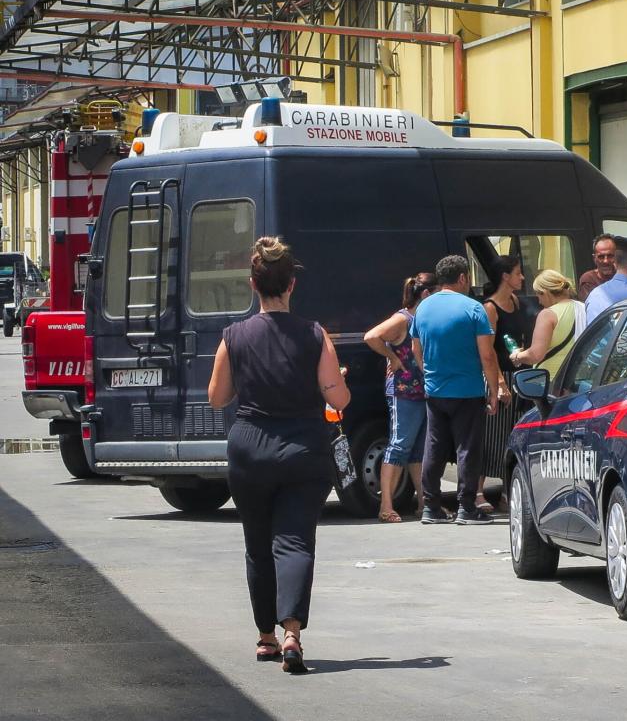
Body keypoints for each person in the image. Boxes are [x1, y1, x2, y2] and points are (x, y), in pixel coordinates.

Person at [208, 236, 349, 675]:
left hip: (250, 448)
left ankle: (265, 638)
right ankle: (292, 633)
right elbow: (338, 399)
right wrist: (337, 379)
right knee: (295, 540)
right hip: (304, 449)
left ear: (254, 284)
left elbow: (217, 398)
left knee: (257, 545)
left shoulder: (234, 336)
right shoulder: (314, 334)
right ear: (291, 285)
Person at [412, 255, 501, 526]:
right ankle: (466, 506)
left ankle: (431, 505)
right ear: (463, 278)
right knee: (468, 448)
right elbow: (487, 355)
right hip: (467, 389)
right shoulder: (474, 309)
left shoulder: (424, 308)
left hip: (435, 390)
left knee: (434, 446)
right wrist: (493, 390)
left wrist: (429, 372)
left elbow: (417, 349)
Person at [363, 272, 437, 523]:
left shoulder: (420, 318)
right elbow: (372, 336)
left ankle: (423, 502)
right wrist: (393, 358)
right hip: (403, 391)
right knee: (399, 445)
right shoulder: (403, 318)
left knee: (417, 449)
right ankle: (386, 505)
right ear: (426, 294)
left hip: (421, 390)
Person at [479, 256, 526, 513]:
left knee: (512, 436)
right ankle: (478, 491)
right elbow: (489, 349)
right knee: (492, 436)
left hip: (518, 374)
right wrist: (498, 383)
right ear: (505, 277)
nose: (522, 278)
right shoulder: (490, 308)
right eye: (518, 273)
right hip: (498, 376)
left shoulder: (516, 302)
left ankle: (509, 492)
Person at [512, 269, 585, 383]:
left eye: (539, 296)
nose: (540, 302)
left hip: (551, 381)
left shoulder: (548, 314)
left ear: (545, 293)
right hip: (580, 378)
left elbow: (535, 355)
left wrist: (517, 356)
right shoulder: (582, 307)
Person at [576, 234, 617, 301]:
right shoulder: (588, 279)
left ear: (617, 256)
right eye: (601, 257)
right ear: (594, 258)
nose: (605, 261)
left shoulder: (625, 276)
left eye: (610, 256)